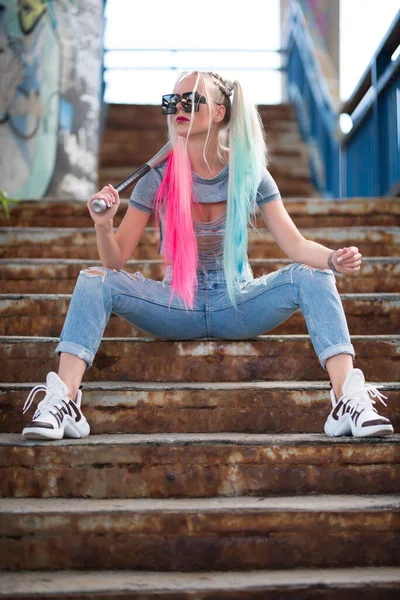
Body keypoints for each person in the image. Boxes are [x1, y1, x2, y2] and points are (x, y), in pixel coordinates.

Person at [21, 70, 393, 440]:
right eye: (172, 102)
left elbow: (295, 245)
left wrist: (332, 259)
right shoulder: (157, 177)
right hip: (175, 306)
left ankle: (349, 401)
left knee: (314, 275)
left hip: (238, 303)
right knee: (93, 280)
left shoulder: (250, 173)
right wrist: (103, 225)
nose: (178, 108)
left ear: (218, 112)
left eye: (191, 101)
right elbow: (115, 261)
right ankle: (64, 402)